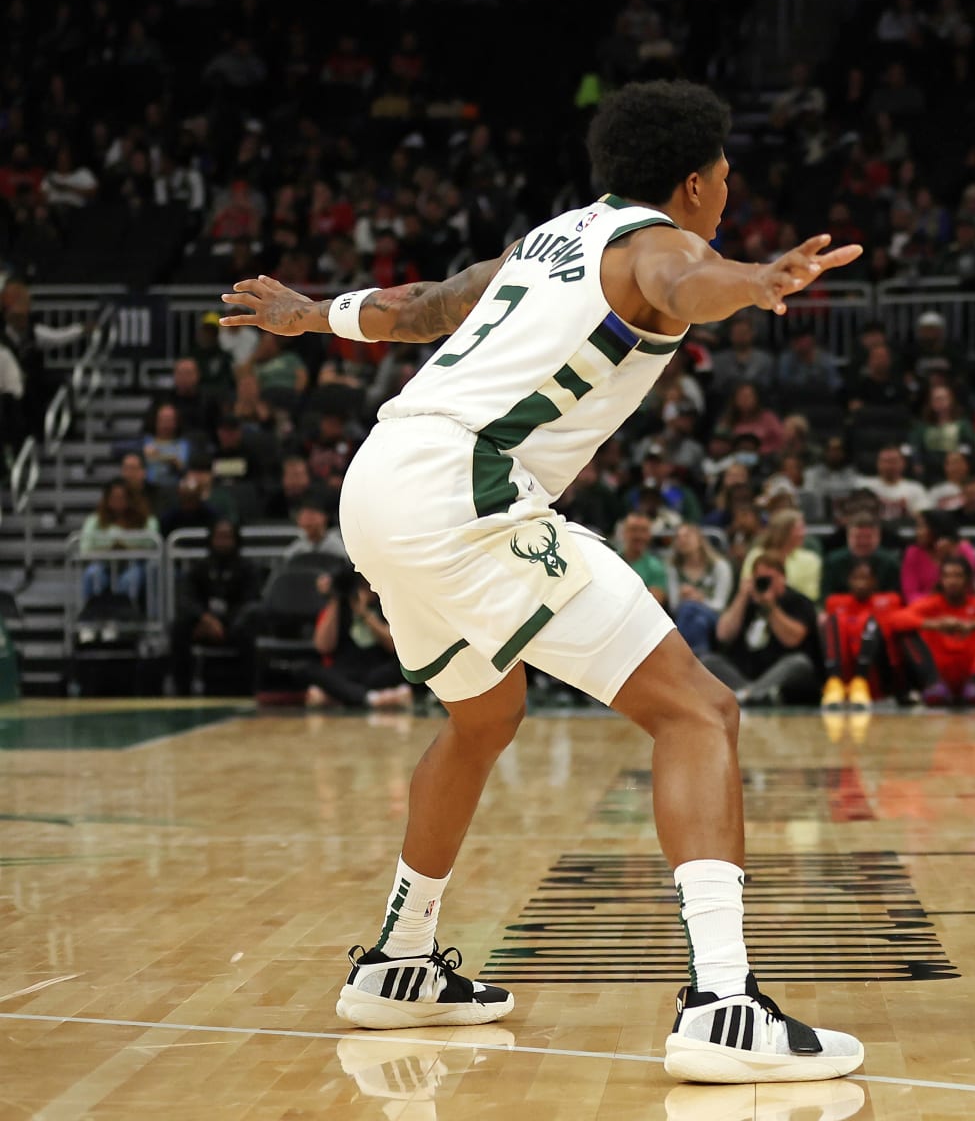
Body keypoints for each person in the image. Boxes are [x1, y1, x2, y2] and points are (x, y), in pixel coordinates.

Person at [221, 80, 864, 1082]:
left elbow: (424, 307)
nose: (727, 192)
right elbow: (686, 283)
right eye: (725, 176)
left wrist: (315, 313)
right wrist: (754, 282)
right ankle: (724, 1006)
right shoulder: (660, 244)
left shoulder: (548, 240)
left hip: (380, 479)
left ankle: (399, 963)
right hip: (463, 489)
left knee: (483, 718)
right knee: (699, 713)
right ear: (695, 183)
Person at [887, 554, 975, 708]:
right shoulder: (931, 605)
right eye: (947, 576)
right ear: (941, 580)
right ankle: (934, 684)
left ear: (968, 580)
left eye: (958, 576)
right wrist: (935, 625)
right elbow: (896, 619)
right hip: (937, 675)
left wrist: (973, 625)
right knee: (906, 632)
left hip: (973, 673)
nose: (952, 581)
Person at [706, 552, 823, 707]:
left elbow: (793, 639)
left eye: (769, 580)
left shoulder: (799, 602)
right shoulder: (746, 601)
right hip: (744, 674)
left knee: (799, 663)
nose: (764, 584)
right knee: (709, 661)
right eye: (759, 580)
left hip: (780, 674)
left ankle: (750, 694)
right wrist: (742, 596)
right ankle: (753, 694)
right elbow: (723, 635)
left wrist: (771, 608)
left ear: (782, 578)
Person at [168, 519, 262, 694]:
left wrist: (224, 623)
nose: (222, 542)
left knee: (248, 630)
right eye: (218, 537)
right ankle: (182, 689)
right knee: (178, 628)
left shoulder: (248, 568)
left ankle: (247, 690)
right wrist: (205, 619)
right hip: (204, 623)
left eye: (227, 537)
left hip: (234, 623)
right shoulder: (200, 567)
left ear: (236, 540)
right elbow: (186, 598)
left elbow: (250, 601)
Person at [301, 568, 413, 709]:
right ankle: (372, 698)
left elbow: (394, 646)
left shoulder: (385, 603)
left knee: (404, 668)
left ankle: (342, 696)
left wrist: (365, 613)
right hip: (346, 669)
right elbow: (323, 646)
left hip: (377, 669)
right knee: (308, 668)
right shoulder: (339, 604)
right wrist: (334, 598)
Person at [820, 557, 904, 708]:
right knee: (830, 621)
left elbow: (900, 623)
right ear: (848, 581)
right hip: (845, 661)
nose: (861, 583)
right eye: (856, 578)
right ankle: (834, 682)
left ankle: (860, 681)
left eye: (865, 578)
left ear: (875, 581)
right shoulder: (834, 602)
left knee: (870, 622)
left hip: (879, 664)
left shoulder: (890, 601)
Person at [78, 478, 161, 606]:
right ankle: (92, 614)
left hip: (134, 565)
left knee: (130, 579)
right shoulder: (94, 521)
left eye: (122, 497)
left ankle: (125, 614)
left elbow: (151, 544)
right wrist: (109, 551)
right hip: (103, 565)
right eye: (114, 497)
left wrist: (127, 549)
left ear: (131, 498)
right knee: (92, 574)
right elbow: (85, 548)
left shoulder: (146, 520)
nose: (118, 501)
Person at [669, 523, 734, 655]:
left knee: (689, 607)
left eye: (687, 536)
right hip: (688, 617)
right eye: (678, 537)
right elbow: (674, 605)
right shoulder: (674, 568)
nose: (682, 540)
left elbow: (720, 605)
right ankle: (701, 658)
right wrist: (683, 597)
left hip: (715, 618)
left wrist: (699, 599)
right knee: (698, 622)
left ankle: (679, 654)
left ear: (699, 539)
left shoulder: (720, 566)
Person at [900, 510, 975, 604]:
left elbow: (969, 587)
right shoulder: (913, 553)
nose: (917, 532)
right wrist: (935, 602)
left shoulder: (963, 549)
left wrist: (950, 556)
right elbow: (910, 595)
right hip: (926, 607)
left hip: (960, 606)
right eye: (917, 527)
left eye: (921, 527)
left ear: (937, 528)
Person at [821, 512, 901, 596]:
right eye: (858, 537)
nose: (863, 542)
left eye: (868, 537)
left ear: (878, 537)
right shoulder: (833, 562)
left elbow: (896, 596)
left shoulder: (890, 563)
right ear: (848, 537)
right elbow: (826, 596)